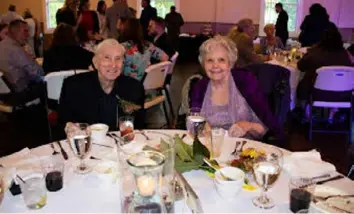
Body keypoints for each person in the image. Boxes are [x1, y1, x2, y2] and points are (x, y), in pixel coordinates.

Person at [190, 36, 282, 142]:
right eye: (210, 60)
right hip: (209, 148)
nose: (215, 65)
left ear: (230, 63)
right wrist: (201, 128)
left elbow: (265, 128)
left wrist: (248, 126)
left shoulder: (245, 82)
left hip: (245, 150)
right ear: (203, 64)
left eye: (221, 60)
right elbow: (193, 124)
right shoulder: (199, 87)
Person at [58, 39, 145, 131]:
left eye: (118, 58)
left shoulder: (134, 88)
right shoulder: (73, 86)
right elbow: (63, 124)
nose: (113, 65)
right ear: (95, 63)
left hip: (122, 143)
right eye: (107, 58)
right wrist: (69, 127)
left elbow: (138, 128)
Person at [297, 25, 351, 122]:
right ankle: (333, 113)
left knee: (306, 81)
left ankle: (307, 113)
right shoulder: (345, 55)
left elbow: (300, 66)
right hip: (343, 96)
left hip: (316, 94)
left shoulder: (315, 53)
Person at [0, 20, 43, 92]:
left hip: (5, 92)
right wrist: (29, 57)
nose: (28, 35)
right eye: (25, 31)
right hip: (22, 91)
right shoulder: (16, 50)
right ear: (15, 31)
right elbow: (38, 72)